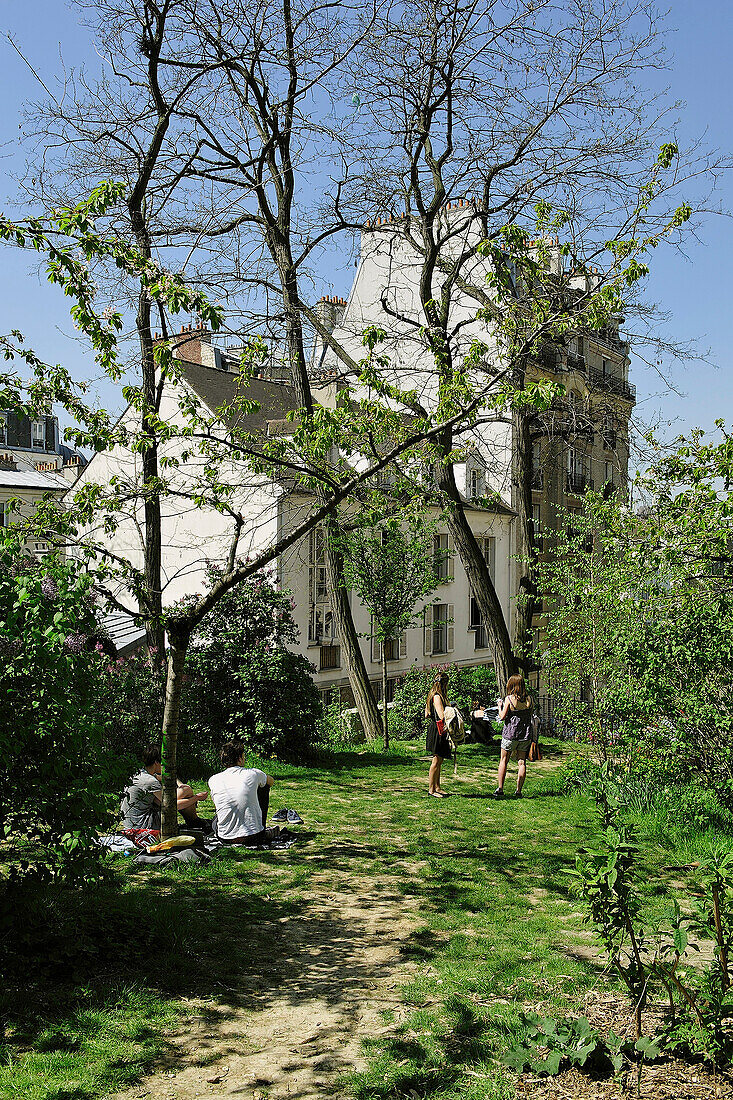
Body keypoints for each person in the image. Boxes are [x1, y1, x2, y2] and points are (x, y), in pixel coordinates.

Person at [120, 744, 210, 831]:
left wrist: (171, 777)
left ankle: (195, 822)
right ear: (156, 762)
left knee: (186, 790)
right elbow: (170, 806)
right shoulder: (150, 781)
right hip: (143, 826)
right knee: (186, 791)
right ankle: (195, 822)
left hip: (130, 824)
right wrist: (196, 798)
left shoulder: (139, 774)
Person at [208, 740, 276, 845]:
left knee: (216, 819)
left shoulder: (213, 780)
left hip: (224, 837)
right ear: (239, 759)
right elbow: (271, 782)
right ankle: (259, 826)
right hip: (254, 836)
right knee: (264, 786)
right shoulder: (253, 773)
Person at [494, 674, 533, 799]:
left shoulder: (509, 699)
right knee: (522, 763)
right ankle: (518, 791)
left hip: (510, 734)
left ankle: (500, 788)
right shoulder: (529, 699)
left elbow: (502, 716)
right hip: (525, 734)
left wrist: (499, 706)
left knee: (504, 760)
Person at [425, 672, 452, 797]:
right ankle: (431, 790)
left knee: (440, 759)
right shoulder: (437, 697)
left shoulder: (431, 695)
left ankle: (437, 786)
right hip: (437, 729)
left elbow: (426, 714)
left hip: (436, 727)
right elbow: (442, 715)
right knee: (436, 760)